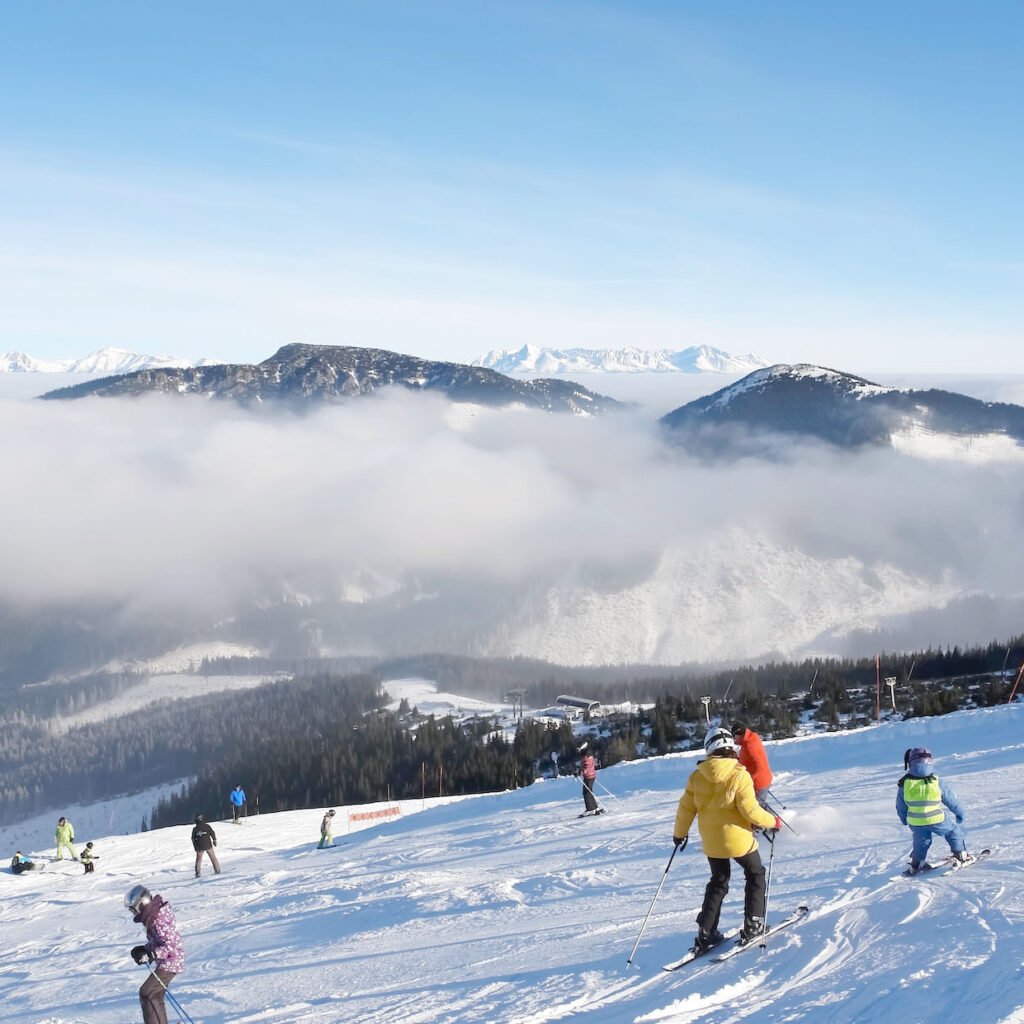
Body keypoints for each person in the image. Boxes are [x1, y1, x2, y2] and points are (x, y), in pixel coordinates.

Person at [674, 726, 782, 952]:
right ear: (731, 749)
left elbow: (686, 809)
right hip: (738, 840)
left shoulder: (697, 777)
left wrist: (679, 834)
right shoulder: (738, 774)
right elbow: (751, 812)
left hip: (712, 843)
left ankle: (706, 932)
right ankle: (753, 924)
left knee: (718, 881)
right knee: (755, 874)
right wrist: (773, 822)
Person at [897, 747, 970, 873]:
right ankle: (961, 855)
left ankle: (917, 863)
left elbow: (900, 805)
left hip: (915, 822)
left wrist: (903, 818)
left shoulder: (905, 783)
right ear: (930, 761)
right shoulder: (936, 781)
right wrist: (960, 813)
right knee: (953, 831)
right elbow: (951, 800)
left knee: (921, 841)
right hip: (936, 818)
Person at [126, 884, 185, 1024]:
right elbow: (159, 941)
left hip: (171, 962)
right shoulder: (154, 916)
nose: (134, 914)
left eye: (133, 910)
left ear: (141, 905)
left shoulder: (158, 919)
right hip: (168, 961)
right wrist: (145, 950)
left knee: (148, 993)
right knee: (153, 995)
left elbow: (171, 946)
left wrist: (152, 954)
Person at [731, 722, 774, 808]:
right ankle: (771, 820)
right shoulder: (750, 739)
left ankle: (774, 821)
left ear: (739, 734)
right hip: (762, 779)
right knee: (759, 806)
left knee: (756, 808)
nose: (733, 739)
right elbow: (748, 761)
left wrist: (748, 781)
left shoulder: (749, 746)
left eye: (734, 736)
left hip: (759, 783)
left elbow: (759, 766)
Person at [578, 742, 602, 815]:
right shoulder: (588, 754)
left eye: (579, 749)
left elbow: (586, 768)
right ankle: (594, 807)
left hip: (588, 776)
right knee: (589, 791)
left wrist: (580, 773)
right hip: (590, 776)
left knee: (586, 792)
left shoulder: (586, 757)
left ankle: (590, 809)